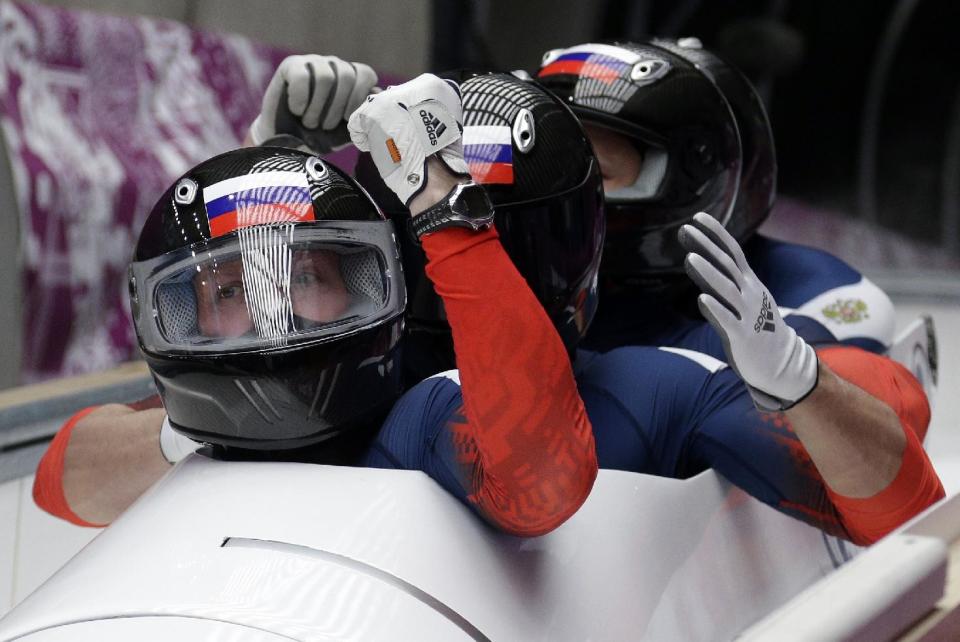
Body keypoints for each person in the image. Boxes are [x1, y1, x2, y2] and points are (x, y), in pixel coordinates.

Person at [32, 74, 599, 536]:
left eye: (302, 277)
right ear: (185, 320)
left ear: (363, 287)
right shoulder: (192, 431)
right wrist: (275, 162)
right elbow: (56, 485)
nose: (268, 311)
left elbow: (544, 484)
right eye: (231, 290)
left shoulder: (413, 422)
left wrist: (443, 202)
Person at [530, 39, 943, 542]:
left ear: (688, 177)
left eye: (593, 173)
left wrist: (798, 378)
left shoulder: (810, 303)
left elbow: (894, 426)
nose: (553, 191)